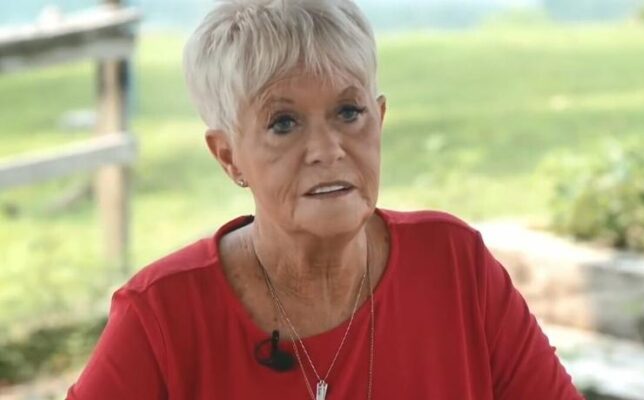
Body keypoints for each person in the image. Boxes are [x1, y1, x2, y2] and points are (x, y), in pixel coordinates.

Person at [67, 0, 583, 398]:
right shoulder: (162, 316)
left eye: (348, 112)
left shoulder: (454, 264)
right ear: (228, 156)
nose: (328, 149)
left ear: (379, 119)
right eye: (283, 123)